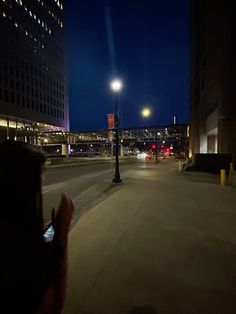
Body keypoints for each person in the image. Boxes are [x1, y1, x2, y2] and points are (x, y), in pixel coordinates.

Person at [0, 140, 74, 314]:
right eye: (40, 174)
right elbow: (51, 306)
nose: (43, 180)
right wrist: (62, 233)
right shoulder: (16, 262)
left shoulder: (11, 223)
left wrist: (53, 229)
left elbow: (33, 241)